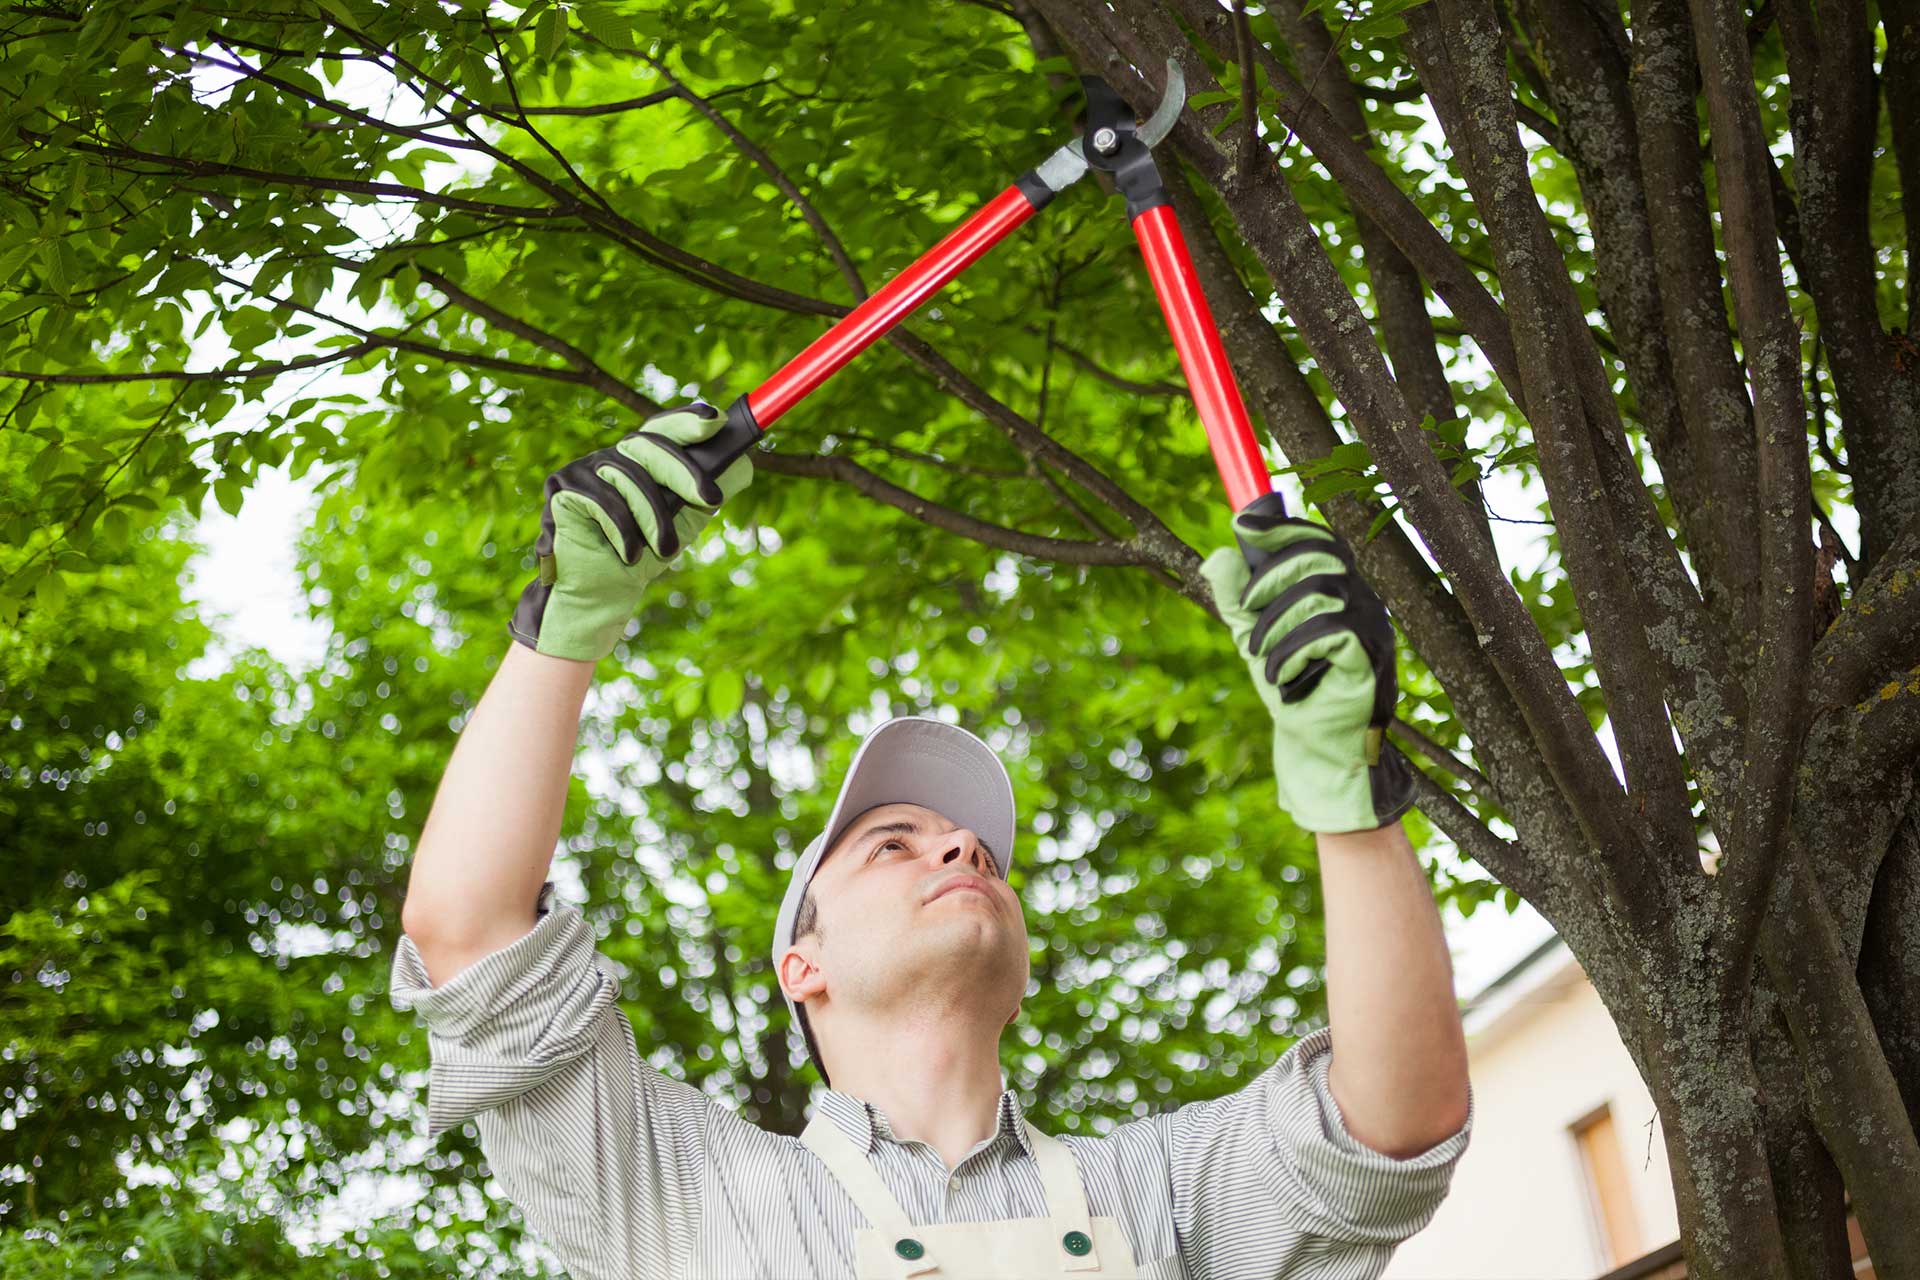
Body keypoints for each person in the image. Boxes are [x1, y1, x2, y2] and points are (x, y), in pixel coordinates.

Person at [390, 404, 1473, 1279]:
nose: (960, 850)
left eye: (980, 854)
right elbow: (470, 935)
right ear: (799, 964)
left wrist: (1350, 793)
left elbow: (1393, 1124)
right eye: (894, 844)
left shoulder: (1163, 1190)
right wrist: (564, 628)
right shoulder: (684, 1192)